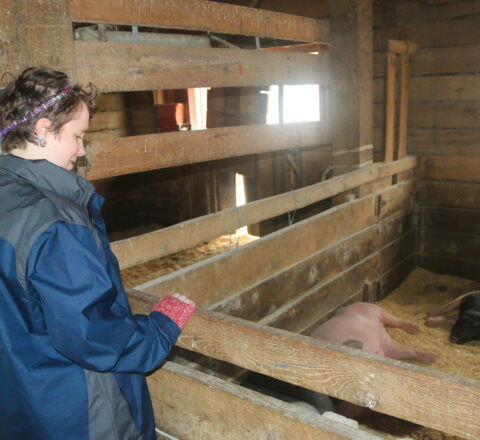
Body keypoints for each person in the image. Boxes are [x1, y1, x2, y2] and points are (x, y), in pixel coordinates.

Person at [0, 66, 196, 440]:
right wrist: (160, 329)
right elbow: (90, 334)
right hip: (78, 411)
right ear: (42, 130)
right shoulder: (53, 222)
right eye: (77, 136)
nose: (82, 149)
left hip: (22, 399)